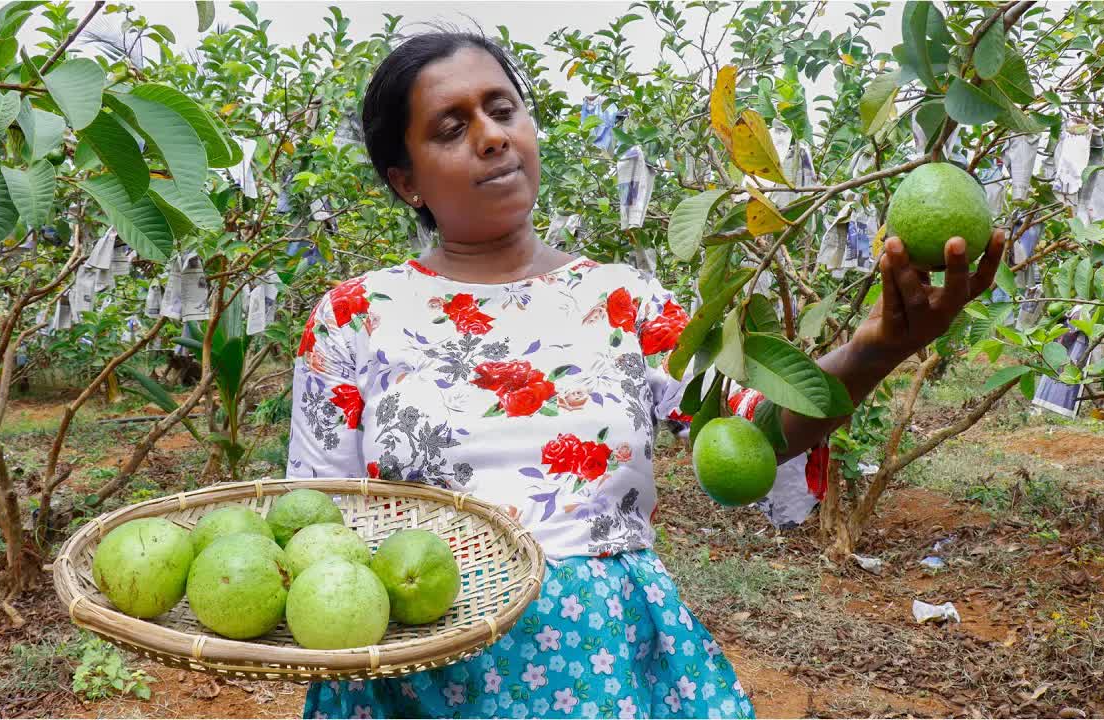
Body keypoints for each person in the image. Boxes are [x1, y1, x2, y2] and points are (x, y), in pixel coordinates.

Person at [287, 31, 1005, 720]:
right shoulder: (354, 316)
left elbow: (756, 432)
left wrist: (877, 349)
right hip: (416, 676)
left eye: (503, 109)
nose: (492, 135)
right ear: (406, 181)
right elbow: (312, 527)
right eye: (451, 127)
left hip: (603, 667)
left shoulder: (626, 299)